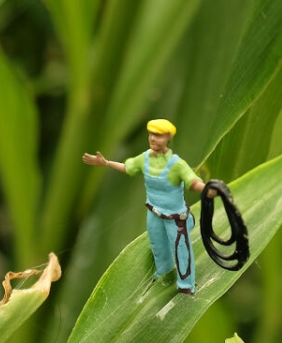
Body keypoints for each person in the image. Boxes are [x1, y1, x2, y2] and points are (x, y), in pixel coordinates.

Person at [82, 118, 207, 294]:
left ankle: (186, 285)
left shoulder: (177, 163)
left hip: (175, 218)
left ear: (168, 138)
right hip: (154, 213)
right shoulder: (145, 158)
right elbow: (128, 168)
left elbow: (192, 181)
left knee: (181, 250)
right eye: (151, 134)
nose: (153, 139)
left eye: (158, 135)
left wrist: (207, 188)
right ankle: (163, 275)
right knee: (157, 245)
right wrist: (107, 163)